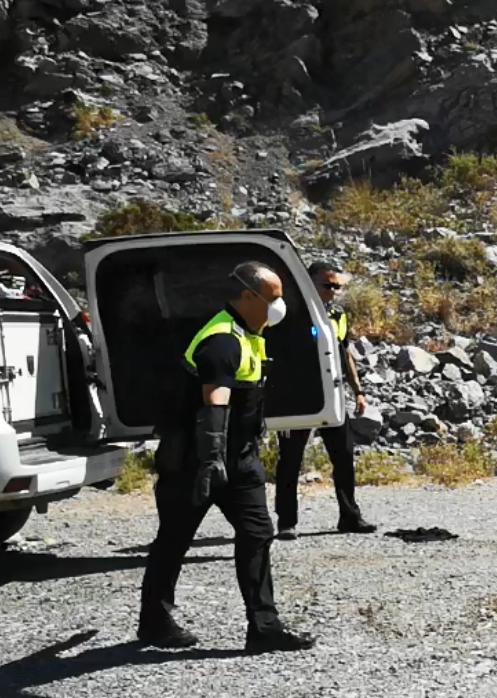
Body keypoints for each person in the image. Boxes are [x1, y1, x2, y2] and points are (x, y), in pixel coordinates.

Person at [138, 261, 315, 653]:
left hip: (240, 460)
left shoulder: (250, 333)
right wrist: (210, 460)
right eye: (273, 297)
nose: (279, 305)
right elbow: (214, 401)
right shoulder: (221, 340)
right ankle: (154, 621)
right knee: (174, 539)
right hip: (195, 462)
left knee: (257, 534)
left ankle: (264, 627)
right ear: (248, 297)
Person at [274, 261, 376, 539]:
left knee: (343, 456)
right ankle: (286, 521)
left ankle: (350, 516)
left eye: (337, 287)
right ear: (309, 283)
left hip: (331, 396)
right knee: (291, 459)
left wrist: (358, 391)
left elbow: (345, 353)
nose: (332, 292)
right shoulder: (289, 313)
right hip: (297, 398)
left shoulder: (338, 314)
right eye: (327, 286)